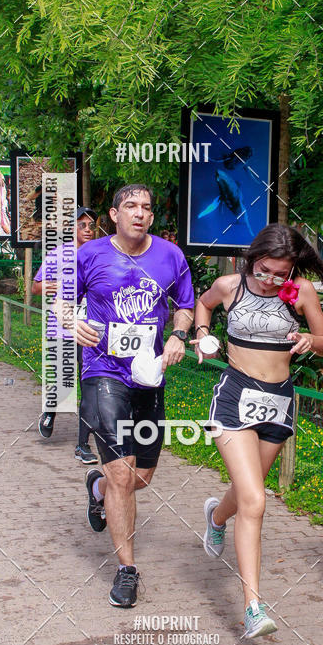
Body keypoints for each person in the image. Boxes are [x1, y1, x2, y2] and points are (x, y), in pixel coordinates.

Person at [194, 224, 323, 638]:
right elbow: (203, 306)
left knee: (245, 491)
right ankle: (253, 606)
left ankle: (216, 516)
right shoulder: (230, 285)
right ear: (252, 259)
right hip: (236, 397)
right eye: (265, 270)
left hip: (278, 402)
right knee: (255, 500)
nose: (271, 281)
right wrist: (202, 335)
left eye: (280, 274)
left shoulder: (301, 291)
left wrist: (312, 339)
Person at [73, 184, 194, 608]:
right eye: (131, 206)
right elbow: (62, 301)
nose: (139, 214)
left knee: (140, 476)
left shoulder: (170, 256)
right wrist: (72, 323)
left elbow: (185, 305)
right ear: (114, 214)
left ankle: (97, 487)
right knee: (123, 474)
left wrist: (179, 334)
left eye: (145, 208)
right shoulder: (89, 255)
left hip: (148, 373)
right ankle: (127, 570)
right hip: (102, 370)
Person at [33, 206, 98, 463]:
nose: (88, 229)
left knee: (89, 388)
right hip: (62, 327)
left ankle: (83, 445)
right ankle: (51, 410)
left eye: (92, 224)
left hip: (90, 330)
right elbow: (37, 287)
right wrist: (55, 285)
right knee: (63, 382)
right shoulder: (58, 255)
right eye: (82, 225)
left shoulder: (100, 254)